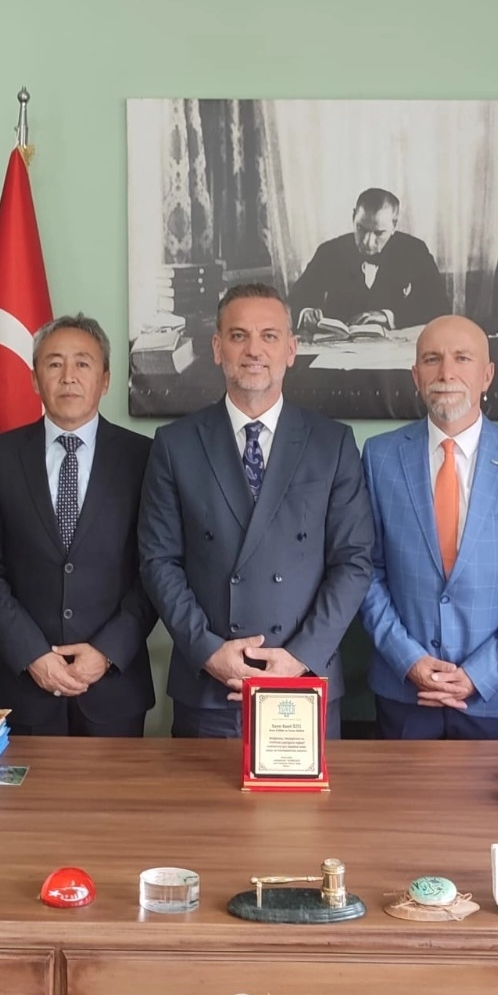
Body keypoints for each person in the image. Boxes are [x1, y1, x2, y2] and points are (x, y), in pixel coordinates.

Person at [139, 283, 375, 737]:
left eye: (269, 336)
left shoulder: (332, 442)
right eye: (238, 335)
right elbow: (158, 561)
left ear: (291, 349)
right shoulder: (175, 444)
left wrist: (301, 656)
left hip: (304, 680)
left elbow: (354, 562)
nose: (253, 350)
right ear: (217, 348)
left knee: (303, 793)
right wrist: (209, 651)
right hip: (210, 686)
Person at [360, 315, 498, 739]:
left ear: (487, 375)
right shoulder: (379, 457)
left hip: (492, 696)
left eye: (462, 358)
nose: (446, 372)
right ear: (415, 376)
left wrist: (480, 673)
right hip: (404, 692)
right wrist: (408, 660)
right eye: (432, 359)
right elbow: (365, 571)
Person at [0, 314, 157, 736]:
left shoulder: (143, 458)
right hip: (26, 686)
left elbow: (155, 571)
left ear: (105, 380)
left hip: (114, 688)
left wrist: (106, 652)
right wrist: (31, 654)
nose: (68, 376)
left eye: (83, 363)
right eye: (54, 364)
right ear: (35, 379)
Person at [291, 188, 447, 332]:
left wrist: (388, 317)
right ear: (353, 217)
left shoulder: (415, 251)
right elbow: (294, 302)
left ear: (394, 225)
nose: (368, 242)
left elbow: (440, 308)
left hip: (393, 349)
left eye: (379, 233)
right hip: (337, 348)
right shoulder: (329, 251)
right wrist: (305, 313)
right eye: (361, 229)